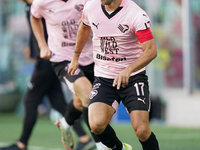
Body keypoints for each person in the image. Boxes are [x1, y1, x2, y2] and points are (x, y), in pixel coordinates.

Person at [0, 0, 96, 150]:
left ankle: (22, 144)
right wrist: (39, 46)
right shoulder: (36, 6)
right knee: (62, 101)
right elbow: (35, 21)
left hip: (52, 61)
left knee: (32, 101)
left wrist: (43, 48)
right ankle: (82, 136)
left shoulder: (45, 3)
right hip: (52, 59)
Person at [68, 0, 160, 149]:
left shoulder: (136, 14)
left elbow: (151, 50)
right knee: (96, 125)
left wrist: (128, 70)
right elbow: (84, 28)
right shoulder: (91, 7)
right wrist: (75, 57)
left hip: (133, 78)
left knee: (142, 131)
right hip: (104, 78)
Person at [30, 0, 108, 150]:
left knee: (80, 102)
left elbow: (105, 12)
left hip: (91, 56)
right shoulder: (42, 2)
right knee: (87, 94)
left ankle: (65, 124)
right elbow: (34, 17)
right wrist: (42, 45)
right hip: (62, 58)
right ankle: (101, 145)